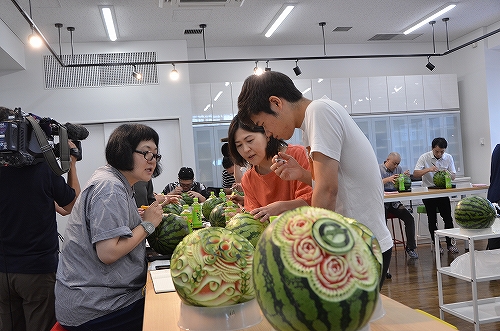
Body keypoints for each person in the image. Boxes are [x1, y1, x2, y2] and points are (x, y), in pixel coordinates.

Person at [236, 71, 393, 288]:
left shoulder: (319, 112)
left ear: (276, 103)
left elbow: (328, 190)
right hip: (354, 242)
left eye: (263, 124)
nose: (268, 133)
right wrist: (301, 174)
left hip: (359, 245)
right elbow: (339, 180)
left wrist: (311, 251)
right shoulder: (313, 121)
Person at [55, 123, 168, 331]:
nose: (152, 161)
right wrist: (148, 225)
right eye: (146, 153)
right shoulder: (111, 187)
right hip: (97, 307)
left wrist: (138, 219)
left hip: (101, 297)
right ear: (124, 151)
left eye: (155, 155)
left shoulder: (115, 181)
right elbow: (108, 252)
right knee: (167, 313)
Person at [0, 106, 81, 331]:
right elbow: (71, 205)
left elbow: (60, 209)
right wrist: (72, 163)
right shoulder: (41, 169)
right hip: (37, 272)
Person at [227, 115, 312, 222]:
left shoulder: (297, 155)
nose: (246, 149)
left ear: (267, 134)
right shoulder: (248, 179)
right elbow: (256, 222)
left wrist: (280, 207)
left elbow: (313, 200)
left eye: (249, 140)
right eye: (239, 145)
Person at [413, 137, 459, 254]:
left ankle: (449, 244)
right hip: (428, 192)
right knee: (432, 220)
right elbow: (416, 173)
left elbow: (453, 176)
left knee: (448, 218)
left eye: (442, 151)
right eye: (437, 151)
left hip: (443, 192)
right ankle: (437, 245)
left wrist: (446, 172)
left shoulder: (448, 157)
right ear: (432, 148)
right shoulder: (424, 157)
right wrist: (428, 169)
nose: (439, 154)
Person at [380, 152, 418, 259]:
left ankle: (410, 248)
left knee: (409, 219)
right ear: (387, 160)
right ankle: (384, 251)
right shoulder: (378, 169)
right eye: (394, 163)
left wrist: (405, 178)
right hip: (382, 204)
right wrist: (387, 179)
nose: (396, 166)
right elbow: (373, 183)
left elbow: (402, 187)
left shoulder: (399, 168)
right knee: (382, 224)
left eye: (398, 163)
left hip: (395, 203)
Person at [487, 144, 500, 250]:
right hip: (497, 197)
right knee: (496, 235)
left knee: (495, 233)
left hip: (494, 195)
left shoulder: (497, 148)